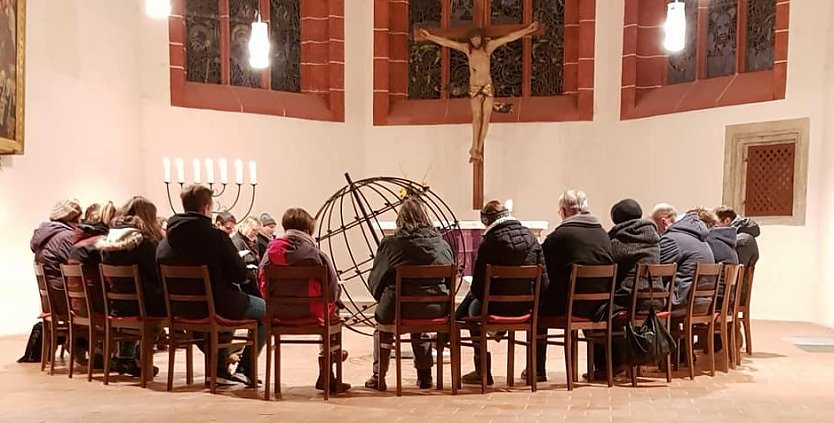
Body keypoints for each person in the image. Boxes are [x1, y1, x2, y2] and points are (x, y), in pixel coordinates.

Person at [157, 185, 265, 385]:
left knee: (233, 306)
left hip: (180, 309)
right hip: (217, 304)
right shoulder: (215, 237)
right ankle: (245, 369)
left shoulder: (165, 242)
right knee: (267, 311)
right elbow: (239, 273)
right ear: (206, 207)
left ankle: (219, 370)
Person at [364, 196, 455, 391]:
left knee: (383, 324)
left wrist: (381, 297)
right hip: (436, 310)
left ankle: (379, 376)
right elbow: (450, 283)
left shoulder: (391, 244)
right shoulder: (443, 245)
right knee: (419, 325)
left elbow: (375, 279)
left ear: (400, 219)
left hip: (399, 309)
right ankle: (425, 376)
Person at [258, 208, 351, 393]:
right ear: (308, 230)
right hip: (311, 314)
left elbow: (261, 285)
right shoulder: (316, 255)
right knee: (333, 313)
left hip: (278, 315)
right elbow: (332, 292)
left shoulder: (269, 254)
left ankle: (328, 364)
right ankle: (328, 370)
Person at [455, 200, 547, 385]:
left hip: (494, 308)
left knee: (470, 311)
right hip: (526, 308)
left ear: (487, 220)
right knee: (473, 302)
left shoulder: (489, 242)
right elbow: (544, 282)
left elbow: (479, 287)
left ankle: (482, 370)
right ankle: (501, 335)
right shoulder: (531, 238)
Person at [419, 22, 539, 163]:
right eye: (473, 39)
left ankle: (478, 148)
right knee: (476, 117)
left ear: (481, 38)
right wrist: (430, 36)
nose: (475, 41)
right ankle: (474, 146)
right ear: (470, 40)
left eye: (477, 38)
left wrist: (527, 30)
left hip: (487, 86)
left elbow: (509, 37)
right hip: (475, 87)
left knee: (486, 117)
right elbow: (447, 43)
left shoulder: (488, 47)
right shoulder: (467, 50)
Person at [540, 190, 614, 381]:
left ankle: (537, 369)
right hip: (601, 305)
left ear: (564, 211)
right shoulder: (603, 234)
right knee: (585, 296)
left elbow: (542, 268)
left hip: (569, 305)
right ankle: (602, 367)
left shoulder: (559, 236)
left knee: (537, 307)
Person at [98, 198, 166, 377]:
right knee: (169, 302)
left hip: (117, 304)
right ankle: (141, 358)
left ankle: (125, 357)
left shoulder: (108, 241)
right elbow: (156, 273)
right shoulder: (144, 243)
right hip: (143, 305)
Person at [30, 199, 83, 316]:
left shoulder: (44, 234)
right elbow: (78, 267)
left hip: (51, 301)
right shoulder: (67, 237)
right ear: (74, 218)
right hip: (66, 301)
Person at [659, 208, 716, 314]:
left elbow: (658, 274)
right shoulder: (704, 242)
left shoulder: (673, 239)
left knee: (637, 300)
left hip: (679, 302)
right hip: (702, 303)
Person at [714, 206, 760, 270]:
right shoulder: (746, 235)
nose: (713, 228)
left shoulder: (739, 240)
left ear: (727, 221)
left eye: (715, 225)